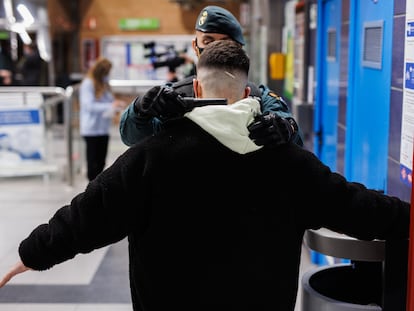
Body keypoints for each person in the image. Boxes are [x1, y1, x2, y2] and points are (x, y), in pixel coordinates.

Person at [0, 40, 409, 311]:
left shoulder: (150, 159)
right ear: (249, 94)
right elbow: (359, 207)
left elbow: (86, 216)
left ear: (194, 87)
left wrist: (29, 255)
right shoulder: (289, 164)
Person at [119, 5, 303, 148]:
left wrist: (286, 128)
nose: (215, 48)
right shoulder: (174, 98)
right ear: (195, 46)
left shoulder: (260, 98)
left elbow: (293, 135)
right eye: (207, 41)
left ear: (238, 49)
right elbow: (131, 138)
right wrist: (140, 109)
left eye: (224, 42)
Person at [79, 57, 126, 181]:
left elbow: (108, 101)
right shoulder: (88, 84)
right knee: (93, 163)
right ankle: (91, 190)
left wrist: (116, 105)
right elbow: (89, 106)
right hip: (91, 129)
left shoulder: (104, 84)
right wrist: (110, 106)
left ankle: (98, 189)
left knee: (101, 162)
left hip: (103, 129)